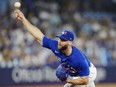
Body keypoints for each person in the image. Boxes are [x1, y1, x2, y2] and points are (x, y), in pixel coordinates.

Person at [15, 9, 97, 87]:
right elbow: (38, 36)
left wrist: (67, 80)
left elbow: (85, 80)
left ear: (70, 43)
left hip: (88, 74)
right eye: (60, 38)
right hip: (77, 74)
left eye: (63, 40)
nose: (60, 41)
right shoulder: (55, 45)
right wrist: (23, 20)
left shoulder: (78, 58)